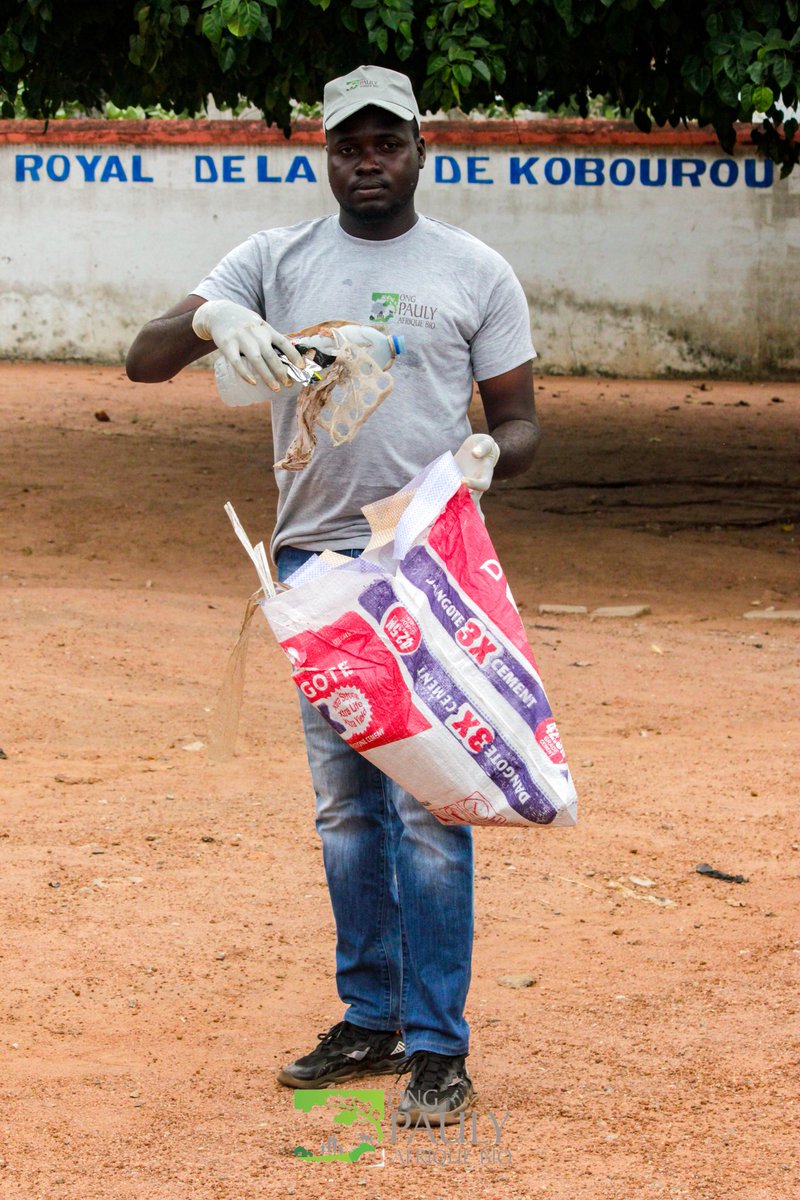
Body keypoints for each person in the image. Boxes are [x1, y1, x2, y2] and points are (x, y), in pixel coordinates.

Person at [127, 63, 539, 1124]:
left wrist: (491, 452)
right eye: (348, 143)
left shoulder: (474, 269)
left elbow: (522, 417)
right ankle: (370, 1020)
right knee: (347, 812)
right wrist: (216, 319)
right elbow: (142, 359)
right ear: (325, 150)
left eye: (386, 142)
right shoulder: (271, 259)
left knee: (433, 811)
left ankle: (438, 1047)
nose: (368, 161)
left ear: (418, 149)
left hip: (428, 567)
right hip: (314, 568)